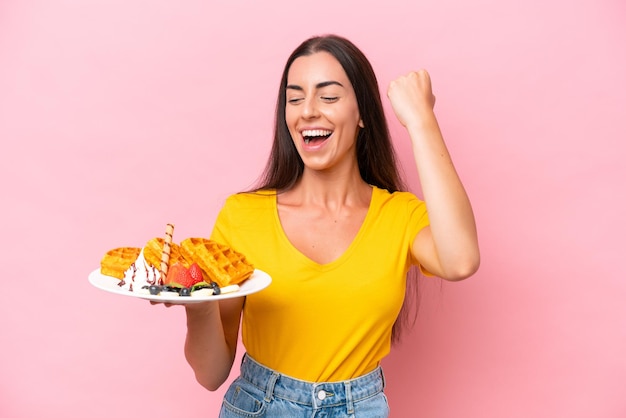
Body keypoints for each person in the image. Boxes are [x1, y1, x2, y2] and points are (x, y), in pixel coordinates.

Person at [172, 34, 479, 417]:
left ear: (363, 113)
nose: (308, 112)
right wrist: (197, 306)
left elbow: (461, 260)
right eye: (295, 98)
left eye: (328, 97)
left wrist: (421, 120)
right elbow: (211, 373)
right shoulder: (242, 216)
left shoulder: (399, 216)